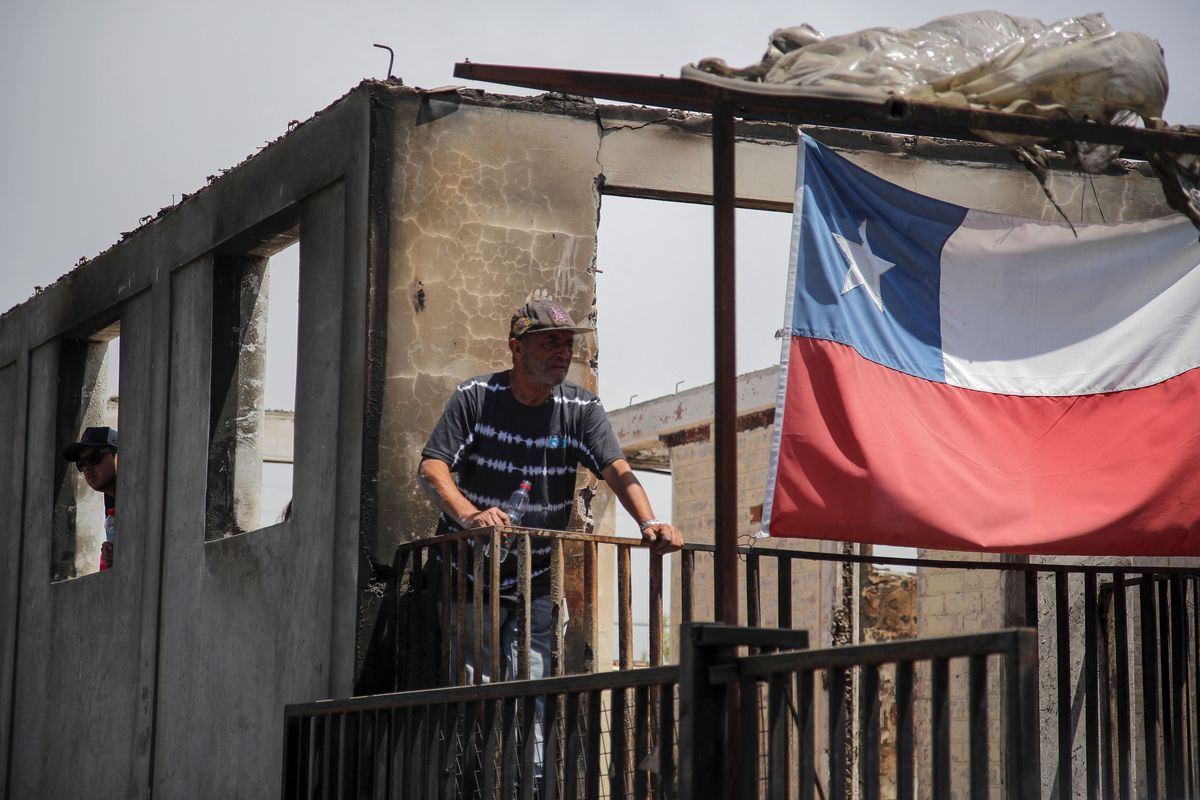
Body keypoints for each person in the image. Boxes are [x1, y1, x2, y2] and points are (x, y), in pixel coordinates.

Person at [418, 297, 683, 786]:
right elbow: (433, 466)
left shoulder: (579, 409)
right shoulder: (477, 397)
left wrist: (650, 523)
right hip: (470, 581)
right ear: (517, 348)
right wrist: (470, 516)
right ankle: (475, 786)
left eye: (568, 344)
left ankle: (530, 784)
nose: (563, 353)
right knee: (474, 694)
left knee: (536, 691)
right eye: (550, 343)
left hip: (538, 580)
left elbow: (616, 469)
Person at [63, 426, 119, 571]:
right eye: (81, 464)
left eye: (94, 458)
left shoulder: (141, 493)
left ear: (118, 455)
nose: (87, 468)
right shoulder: (111, 500)